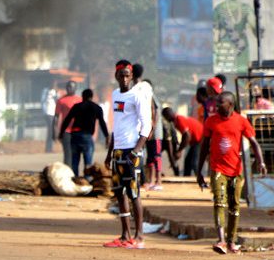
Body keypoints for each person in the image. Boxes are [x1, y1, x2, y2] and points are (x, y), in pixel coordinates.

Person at [197, 91, 267, 254]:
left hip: (235, 170)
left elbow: (254, 143)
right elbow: (204, 146)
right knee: (219, 201)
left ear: (230, 104)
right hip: (217, 169)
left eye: (221, 102)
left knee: (234, 206)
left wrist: (261, 161)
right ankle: (220, 240)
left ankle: (231, 241)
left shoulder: (241, 121)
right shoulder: (211, 121)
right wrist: (199, 171)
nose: (217, 105)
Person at [103, 60, 151, 249]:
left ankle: (139, 236)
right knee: (118, 193)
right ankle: (125, 235)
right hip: (118, 150)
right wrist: (109, 154)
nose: (124, 78)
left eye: (127, 75)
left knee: (133, 193)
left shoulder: (137, 96)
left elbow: (147, 125)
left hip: (132, 151)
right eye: (121, 75)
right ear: (116, 76)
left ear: (131, 76)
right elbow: (116, 126)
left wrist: (136, 150)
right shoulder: (115, 95)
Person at [58, 89, 109, 177]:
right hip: (87, 137)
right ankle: (87, 184)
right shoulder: (96, 108)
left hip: (75, 136)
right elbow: (102, 123)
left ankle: (75, 181)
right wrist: (107, 136)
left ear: (82, 96)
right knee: (88, 163)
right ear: (91, 96)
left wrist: (61, 133)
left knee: (74, 162)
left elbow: (67, 120)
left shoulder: (76, 106)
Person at [213, 0, 255, 73]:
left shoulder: (246, 8)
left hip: (242, 46)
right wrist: (214, 49)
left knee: (243, 72)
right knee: (226, 74)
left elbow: (255, 27)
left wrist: (255, 24)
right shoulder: (219, 8)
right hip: (225, 47)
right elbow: (214, 31)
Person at [162, 107, 204, 177]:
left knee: (194, 162)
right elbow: (185, 136)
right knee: (188, 161)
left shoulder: (179, 119)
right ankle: (186, 177)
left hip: (200, 139)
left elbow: (187, 136)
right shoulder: (176, 121)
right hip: (196, 140)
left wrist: (180, 150)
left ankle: (199, 178)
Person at [54, 81, 82, 167]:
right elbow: (56, 117)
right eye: (68, 87)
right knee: (68, 152)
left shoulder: (80, 100)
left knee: (77, 152)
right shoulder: (61, 100)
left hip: (78, 130)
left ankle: (75, 173)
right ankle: (67, 172)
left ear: (75, 88)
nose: (70, 88)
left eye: (72, 87)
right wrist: (55, 131)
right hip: (66, 130)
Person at [42, 86, 58, 153]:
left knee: (52, 131)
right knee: (50, 131)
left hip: (53, 113)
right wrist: (44, 112)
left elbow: (57, 102)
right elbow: (42, 101)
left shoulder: (55, 92)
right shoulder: (45, 91)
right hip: (48, 113)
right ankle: (48, 148)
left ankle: (49, 148)